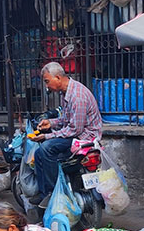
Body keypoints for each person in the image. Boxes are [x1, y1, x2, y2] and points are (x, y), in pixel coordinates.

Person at [32, 62, 102, 199]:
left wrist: (48, 137)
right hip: (77, 133)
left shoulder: (77, 96)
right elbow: (66, 119)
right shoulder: (66, 93)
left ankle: (52, 195)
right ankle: (48, 192)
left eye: (47, 81)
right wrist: (50, 123)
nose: (47, 86)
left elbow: (74, 129)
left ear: (57, 78)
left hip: (84, 137)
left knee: (45, 149)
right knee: (42, 151)